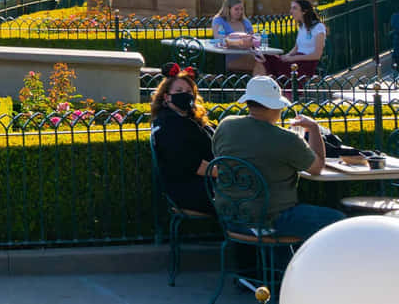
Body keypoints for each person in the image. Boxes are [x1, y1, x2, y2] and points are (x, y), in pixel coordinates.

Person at [209, 76, 346, 239]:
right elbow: (317, 168)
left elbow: (219, 156)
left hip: (230, 216)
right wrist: (314, 128)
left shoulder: (226, 125)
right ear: (273, 107)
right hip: (269, 220)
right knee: (339, 222)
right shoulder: (286, 139)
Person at [148, 65, 213, 215]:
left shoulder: (190, 119)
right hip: (190, 191)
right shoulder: (168, 125)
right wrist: (229, 173)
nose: (185, 95)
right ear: (166, 97)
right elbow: (192, 164)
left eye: (189, 92)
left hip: (208, 183)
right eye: (178, 92)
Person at [265, 0, 326, 79]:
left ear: (304, 11)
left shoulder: (318, 27)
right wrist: (287, 56)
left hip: (306, 63)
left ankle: (283, 87)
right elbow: (296, 48)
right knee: (267, 58)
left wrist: (293, 58)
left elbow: (317, 55)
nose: (291, 11)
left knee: (273, 65)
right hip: (296, 60)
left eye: (294, 8)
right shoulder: (302, 26)